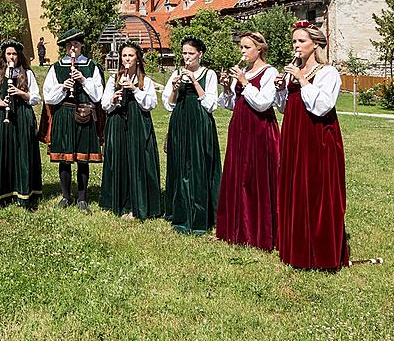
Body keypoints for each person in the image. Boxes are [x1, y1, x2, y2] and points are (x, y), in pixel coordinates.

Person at [274, 21, 349, 270]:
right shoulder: (293, 71)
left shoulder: (327, 72)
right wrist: (281, 89)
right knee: (295, 184)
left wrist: (302, 81)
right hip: (294, 134)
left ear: (315, 44)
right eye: (294, 41)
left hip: (318, 136)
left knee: (316, 186)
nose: (296, 46)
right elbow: (285, 107)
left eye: (301, 41)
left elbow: (323, 106)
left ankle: (319, 251)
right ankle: (295, 245)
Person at [216, 31, 279, 251]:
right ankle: (237, 229)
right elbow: (233, 103)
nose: (242, 52)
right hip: (240, 128)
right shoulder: (243, 71)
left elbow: (263, 103)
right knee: (239, 176)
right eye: (241, 47)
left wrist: (244, 82)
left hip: (260, 129)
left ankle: (259, 231)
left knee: (256, 177)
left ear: (259, 49)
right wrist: (227, 87)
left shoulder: (270, 72)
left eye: (247, 47)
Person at [162, 36, 221, 234]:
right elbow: (169, 105)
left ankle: (200, 217)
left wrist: (194, 81)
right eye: (184, 53)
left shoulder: (209, 74)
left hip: (199, 122)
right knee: (180, 165)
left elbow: (211, 104)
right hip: (180, 120)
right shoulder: (176, 73)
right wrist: (174, 89)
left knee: (198, 166)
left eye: (191, 53)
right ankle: (180, 215)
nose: (187, 57)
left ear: (200, 54)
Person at [42, 29, 104, 215]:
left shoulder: (92, 66)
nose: (72, 48)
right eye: (69, 46)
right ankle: (66, 196)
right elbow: (48, 96)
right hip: (63, 113)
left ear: (81, 45)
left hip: (84, 113)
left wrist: (83, 80)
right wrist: (63, 87)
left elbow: (98, 95)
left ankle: (83, 198)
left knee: (83, 158)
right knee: (65, 158)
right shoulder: (57, 67)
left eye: (76, 45)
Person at [99, 41, 161, 220]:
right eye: (124, 55)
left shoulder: (145, 80)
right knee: (120, 160)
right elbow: (104, 104)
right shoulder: (113, 79)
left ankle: (137, 204)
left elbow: (151, 104)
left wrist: (134, 90)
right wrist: (113, 98)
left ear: (138, 59)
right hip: (117, 122)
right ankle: (118, 202)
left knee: (137, 161)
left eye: (130, 55)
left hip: (138, 124)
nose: (127, 59)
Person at [0, 40, 43, 209]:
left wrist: (20, 93)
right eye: (8, 54)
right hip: (3, 117)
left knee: (23, 151)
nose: (11, 57)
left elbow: (36, 97)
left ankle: (25, 192)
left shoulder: (27, 73)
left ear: (19, 56)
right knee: (4, 151)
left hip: (22, 116)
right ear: (4, 56)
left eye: (14, 54)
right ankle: (3, 193)